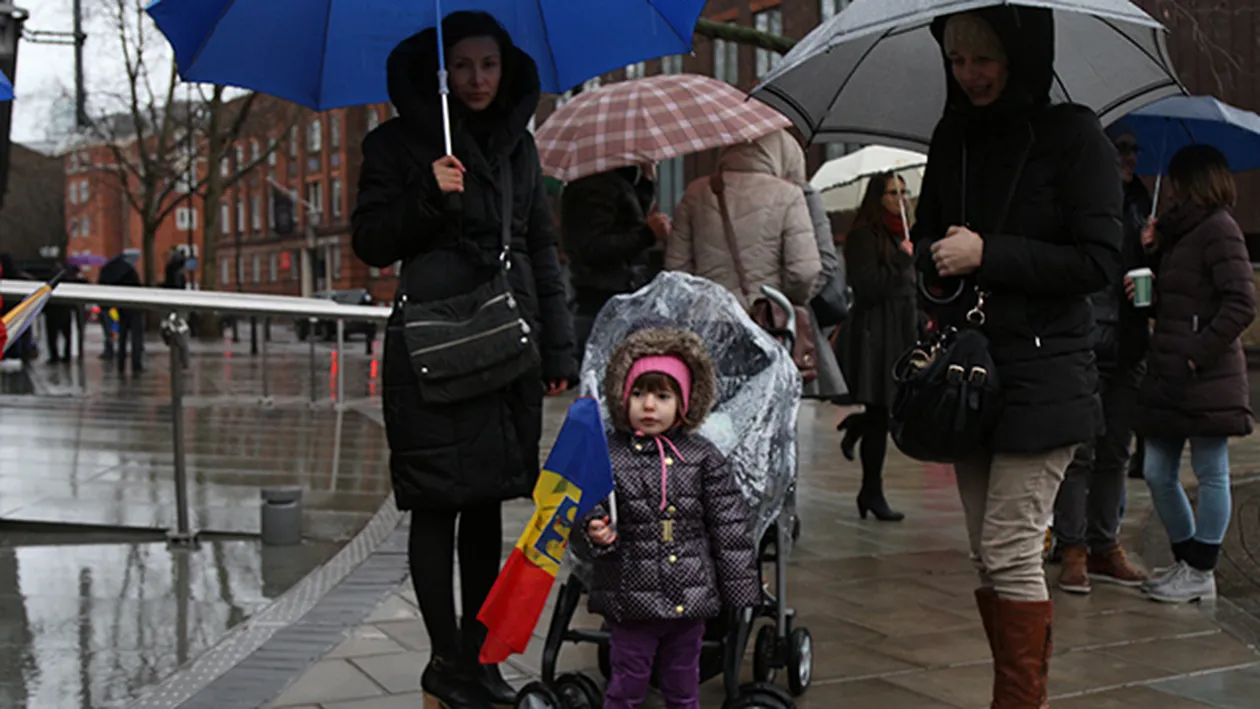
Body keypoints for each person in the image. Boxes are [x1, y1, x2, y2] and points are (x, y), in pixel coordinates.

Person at [351, 11, 575, 709]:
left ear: (505, 68)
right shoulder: (394, 144)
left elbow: (541, 245)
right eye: (464, 66)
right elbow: (371, 241)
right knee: (436, 504)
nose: (477, 79)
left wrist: (558, 344)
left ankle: (477, 661)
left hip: (506, 342)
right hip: (434, 344)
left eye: (489, 65)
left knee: (484, 505)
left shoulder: (519, 147)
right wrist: (428, 196)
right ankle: (444, 659)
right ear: (441, 71)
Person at [911, 10, 1122, 705]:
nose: (970, 75)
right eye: (957, 60)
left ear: (1021, 55)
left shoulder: (1074, 136)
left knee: (1008, 549)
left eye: (984, 59)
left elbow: (1097, 260)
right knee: (988, 553)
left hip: (1046, 372)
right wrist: (936, 268)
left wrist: (988, 253)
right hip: (970, 375)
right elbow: (929, 243)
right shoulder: (953, 137)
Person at [581, 326, 760, 709]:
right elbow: (584, 504)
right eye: (639, 394)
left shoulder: (702, 457)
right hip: (631, 600)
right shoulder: (608, 454)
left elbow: (729, 528)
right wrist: (593, 527)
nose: (649, 406)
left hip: (688, 601)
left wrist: (740, 591)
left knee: (683, 684)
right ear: (621, 398)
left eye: (662, 396)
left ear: (684, 403)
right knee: (627, 681)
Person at [1133, 145, 1254, 604]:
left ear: (1192, 182)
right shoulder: (1181, 233)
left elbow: (1241, 302)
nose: (1171, 190)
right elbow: (1178, 304)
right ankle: (1188, 560)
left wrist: (1195, 354)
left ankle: (1201, 570)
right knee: (1157, 470)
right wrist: (1150, 268)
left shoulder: (1219, 229)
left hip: (1203, 374)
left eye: (1177, 181)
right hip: (1170, 372)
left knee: (1210, 471)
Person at [1051, 123, 1152, 593]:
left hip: (1129, 342)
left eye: (1134, 150)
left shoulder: (1144, 210)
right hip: (1086, 337)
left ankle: (1104, 545)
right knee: (1080, 452)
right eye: (1122, 149)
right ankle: (1072, 547)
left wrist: (1156, 255)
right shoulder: (1081, 203)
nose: (1130, 157)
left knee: (1115, 450)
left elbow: (1153, 284)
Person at [836, 173, 917, 522]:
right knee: (883, 409)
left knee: (889, 409)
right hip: (875, 333)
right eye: (892, 192)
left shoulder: (905, 231)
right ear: (877, 196)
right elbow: (867, 286)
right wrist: (901, 260)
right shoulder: (864, 235)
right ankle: (872, 490)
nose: (900, 198)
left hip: (901, 329)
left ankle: (858, 427)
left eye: (904, 191)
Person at [664, 130, 821, 310]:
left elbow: (676, 270)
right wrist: (782, 302)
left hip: (708, 316)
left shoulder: (695, 193)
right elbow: (804, 272)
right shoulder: (789, 195)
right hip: (764, 317)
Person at [562, 166, 669, 358]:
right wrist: (647, 235)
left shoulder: (613, 181)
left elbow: (625, 219)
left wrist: (645, 182)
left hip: (613, 293)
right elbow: (593, 246)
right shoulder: (596, 185)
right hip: (604, 296)